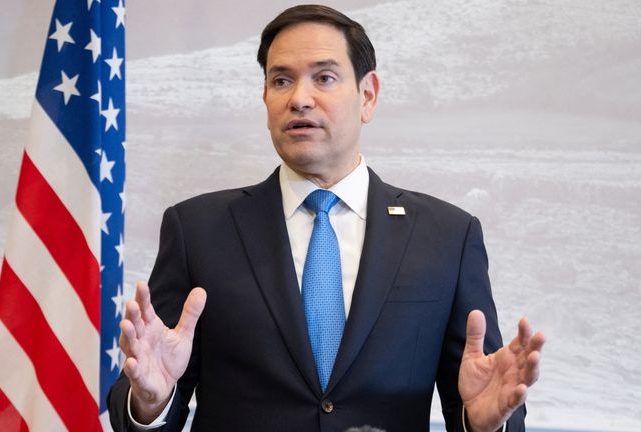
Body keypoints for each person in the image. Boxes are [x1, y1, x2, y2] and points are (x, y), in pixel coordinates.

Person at [108, 5, 545, 432]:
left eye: (324, 78)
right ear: (265, 97)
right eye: (281, 80)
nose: (299, 98)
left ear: (367, 95)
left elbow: (476, 396)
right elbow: (153, 387)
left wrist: (484, 425)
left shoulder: (447, 236)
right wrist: (152, 402)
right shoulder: (197, 230)